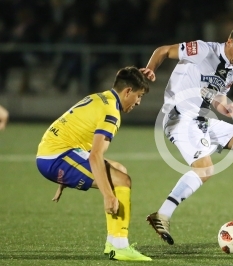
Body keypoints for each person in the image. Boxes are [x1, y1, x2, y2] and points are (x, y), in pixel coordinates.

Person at [140, 24, 233, 245]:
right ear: (230, 42)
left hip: (199, 120)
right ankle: (162, 214)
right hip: (179, 117)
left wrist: (224, 106)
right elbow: (164, 51)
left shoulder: (231, 68)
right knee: (205, 169)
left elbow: (214, 95)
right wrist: (150, 69)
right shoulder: (203, 50)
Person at [36, 66, 152, 261]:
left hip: (56, 153)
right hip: (56, 157)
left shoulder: (101, 97)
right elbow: (95, 155)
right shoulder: (111, 113)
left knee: (120, 171)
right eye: (139, 96)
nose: (138, 102)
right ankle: (119, 246)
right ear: (128, 91)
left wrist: (65, 176)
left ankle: (113, 243)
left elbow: (75, 131)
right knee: (121, 180)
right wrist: (108, 195)